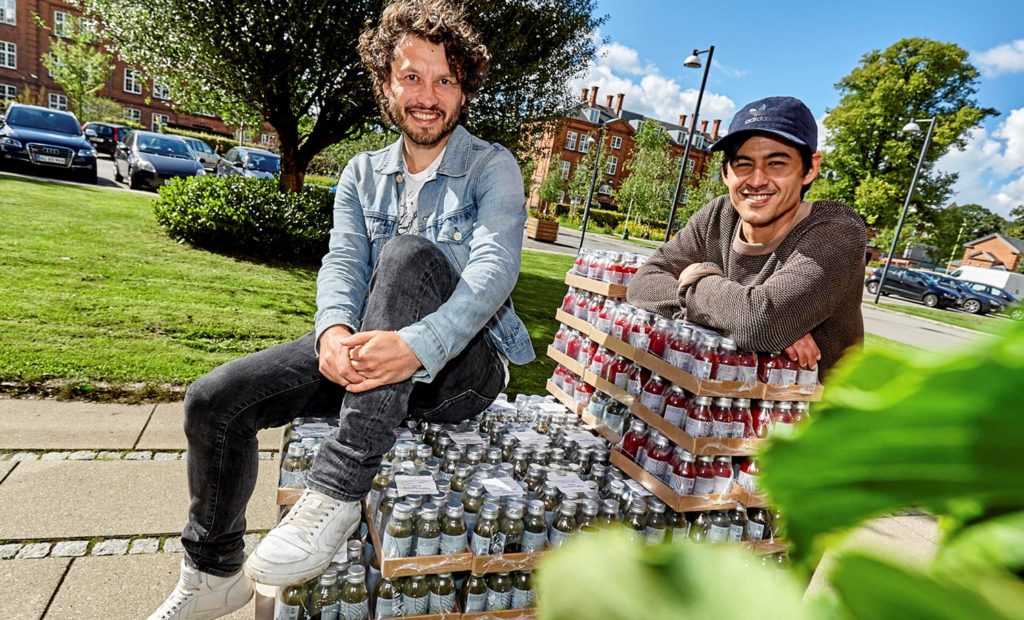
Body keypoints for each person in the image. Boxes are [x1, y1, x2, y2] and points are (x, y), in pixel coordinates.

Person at [149, 1, 534, 618]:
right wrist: (333, 332)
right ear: (385, 83)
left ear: (463, 92)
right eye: (411, 76)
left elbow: (492, 275)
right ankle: (213, 574)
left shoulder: (492, 167)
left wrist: (415, 345)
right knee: (214, 401)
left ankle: (337, 487)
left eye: (445, 80)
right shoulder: (361, 173)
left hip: (462, 371)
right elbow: (345, 265)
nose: (427, 95)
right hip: (374, 357)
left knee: (407, 256)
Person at [627, 96, 866, 377]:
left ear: (810, 169)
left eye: (777, 163)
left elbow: (760, 323)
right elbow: (642, 285)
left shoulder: (837, 230)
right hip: (722, 406)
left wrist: (696, 276)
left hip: (812, 415)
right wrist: (748, 322)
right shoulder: (718, 215)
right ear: (725, 172)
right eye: (743, 164)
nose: (757, 180)